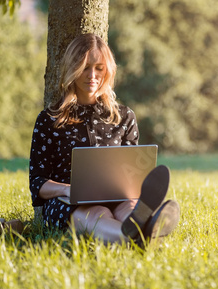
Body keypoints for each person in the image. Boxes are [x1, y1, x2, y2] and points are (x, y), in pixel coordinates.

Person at [29, 33, 179, 245]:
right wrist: (66, 189)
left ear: (107, 70)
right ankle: (136, 237)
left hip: (118, 198)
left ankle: (140, 224)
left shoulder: (124, 117)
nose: (92, 75)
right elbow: (37, 183)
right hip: (67, 203)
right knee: (97, 212)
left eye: (99, 68)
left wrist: (134, 190)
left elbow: (132, 173)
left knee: (127, 208)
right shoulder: (50, 120)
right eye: (85, 67)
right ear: (73, 68)